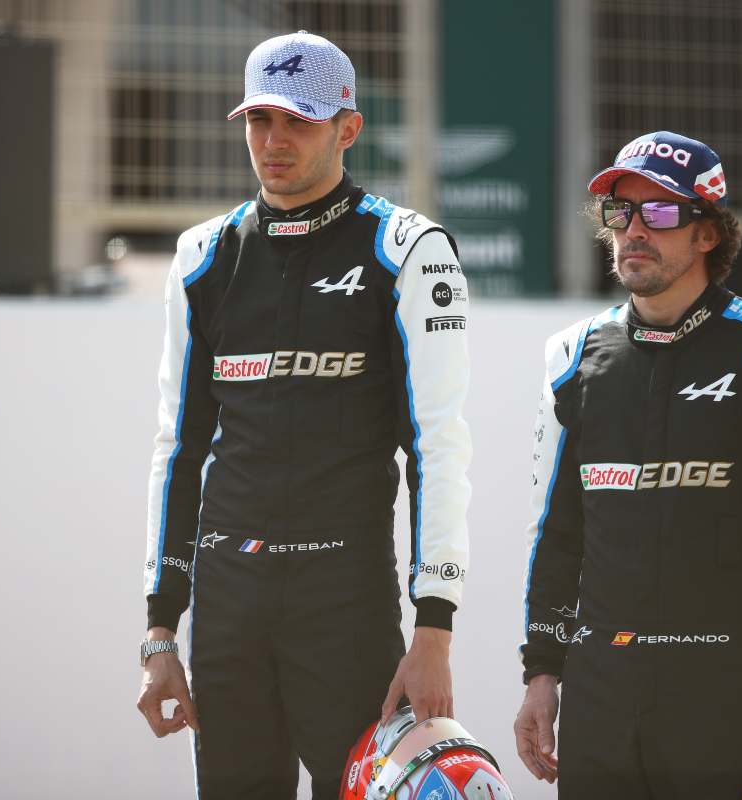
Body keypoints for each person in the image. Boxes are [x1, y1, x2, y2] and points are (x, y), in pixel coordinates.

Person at [135, 31, 473, 799]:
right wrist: (160, 631)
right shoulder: (202, 258)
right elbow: (177, 451)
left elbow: (438, 448)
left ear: (347, 128)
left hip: (344, 604)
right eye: (259, 120)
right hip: (228, 609)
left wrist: (434, 629)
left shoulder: (406, 249)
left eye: (298, 121)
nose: (273, 141)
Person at [512, 131, 742, 798]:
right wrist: (540, 674)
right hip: (603, 704)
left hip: (725, 700)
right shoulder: (571, 358)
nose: (635, 230)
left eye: (662, 213)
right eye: (622, 212)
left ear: (708, 233)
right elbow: (554, 535)